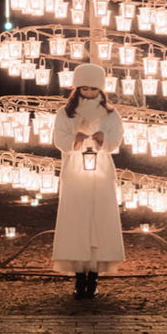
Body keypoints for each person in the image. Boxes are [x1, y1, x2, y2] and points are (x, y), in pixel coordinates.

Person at [52, 62, 124, 299]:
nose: (90, 93)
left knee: (99, 221)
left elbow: (116, 141)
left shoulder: (111, 114)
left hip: (101, 173)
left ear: (101, 90)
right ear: (78, 88)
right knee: (77, 222)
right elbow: (58, 139)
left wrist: (104, 139)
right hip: (75, 173)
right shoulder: (65, 113)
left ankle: (93, 276)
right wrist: (75, 138)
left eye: (94, 89)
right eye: (85, 88)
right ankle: (78, 277)